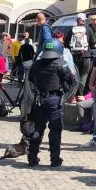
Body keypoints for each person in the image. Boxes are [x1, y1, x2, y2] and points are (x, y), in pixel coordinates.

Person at [27, 38, 75, 167]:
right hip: (54, 99)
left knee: (38, 128)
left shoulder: (36, 64)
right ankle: (54, 159)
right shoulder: (61, 63)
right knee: (55, 129)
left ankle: (32, 157)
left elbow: (31, 78)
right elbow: (71, 79)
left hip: (39, 99)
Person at [68, 13, 92, 104]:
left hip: (74, 56)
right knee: (84, 77)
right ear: (84, 20)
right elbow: (92, 43)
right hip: (86, 56)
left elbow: (67, 44)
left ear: (77, 20)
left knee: (74, 76)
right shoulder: (88, 29)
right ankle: (80, 96)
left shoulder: (72, 30)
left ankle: (73, 97)